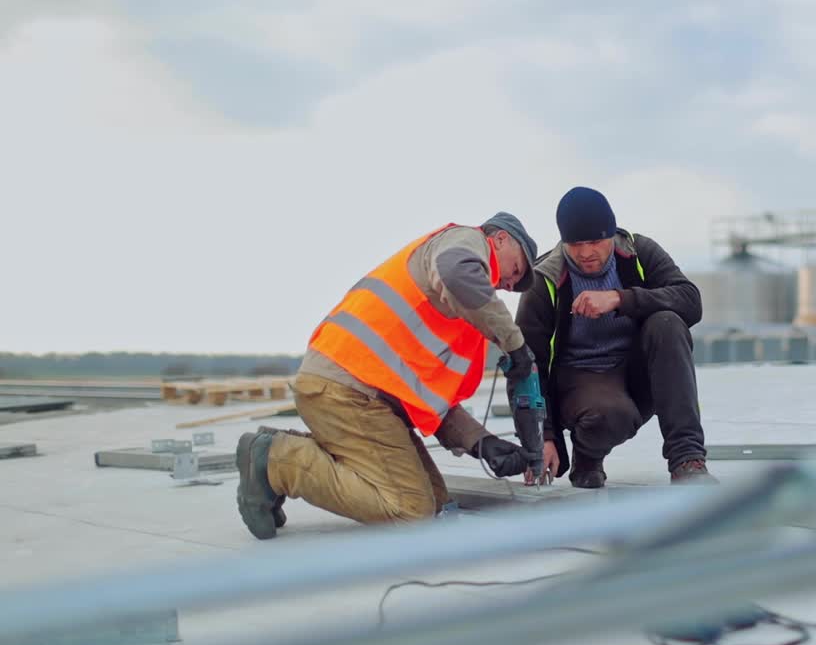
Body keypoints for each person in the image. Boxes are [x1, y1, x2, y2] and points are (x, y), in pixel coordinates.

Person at [235, 213, 542, 540]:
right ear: (500, 239)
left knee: (438, 504)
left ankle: (274, 452)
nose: (510, 285)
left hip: (361, 392)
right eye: (516, 270)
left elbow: (427, 397)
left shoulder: (458, 309)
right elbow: (456, 270)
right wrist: (515, 344)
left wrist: (481, 443)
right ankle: (276, 460)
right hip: (346, 389)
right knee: (411, 512)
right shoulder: (466, 243)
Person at [516, 187, 715, 488]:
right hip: (581, 382)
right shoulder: (544, 280)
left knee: (668, 323)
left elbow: (690, 301)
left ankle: (687, 460)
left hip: (637, 373)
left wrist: (620, 298)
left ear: (611, 234)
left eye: (595, 241)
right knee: (612, 416)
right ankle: (588, 454)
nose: (586, 253)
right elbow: (527, 364)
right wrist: (542, 437)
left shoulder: (639, 252)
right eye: (576, 244)